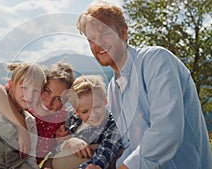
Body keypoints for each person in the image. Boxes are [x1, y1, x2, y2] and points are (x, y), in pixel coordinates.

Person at [76, 1, 211, 169]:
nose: (98, 45)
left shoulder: (156, 60)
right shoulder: (113, 89)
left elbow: (166, 132)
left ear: (123, 32)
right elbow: (131, 145)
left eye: (104, 34)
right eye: (92, 39)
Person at [0, 62, 75, 167]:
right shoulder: (22, 102)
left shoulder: (60, 118)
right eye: (47, 91)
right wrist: (22, 126)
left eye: (59, 99)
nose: (49, 102)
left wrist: (60, 142)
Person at [43, 75, 123, 169]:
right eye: (85, 111)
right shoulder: (73, 121)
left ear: (105, 101)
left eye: (97, 107)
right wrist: (69, 142)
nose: (93, 114)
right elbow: (55, 151)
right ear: (76, 111)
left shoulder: (112, 125)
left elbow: (105, 154)